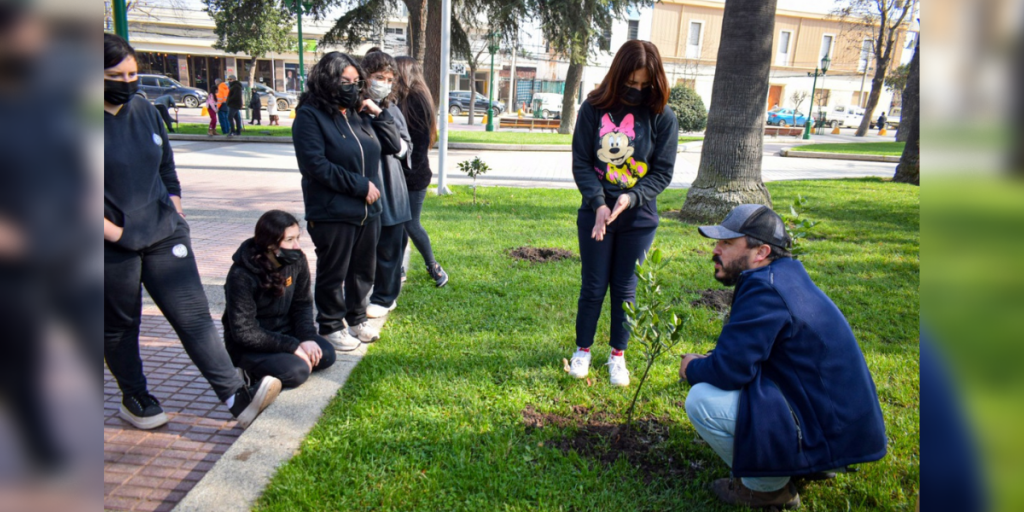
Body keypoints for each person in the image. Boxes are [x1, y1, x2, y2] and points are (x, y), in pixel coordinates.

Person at [103, 33, 280, 430]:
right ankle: (135, 396)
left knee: (195, 316)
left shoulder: (144, 110)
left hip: (164, 233)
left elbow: (166, 165)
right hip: (110, 245)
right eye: (116, 75)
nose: (128, 82)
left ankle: (236, 396)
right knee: (119, 324)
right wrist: (112, 234)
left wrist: (176, 208)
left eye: (133, 73)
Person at [679, 204, 888, 509]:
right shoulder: (783, 277)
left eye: (726, 243)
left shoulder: (764, 289)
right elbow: (746, 357)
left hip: (829, 430)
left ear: (761, 251)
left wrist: (692, 367)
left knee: (702, 400)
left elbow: (729, 371)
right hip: (840, 426)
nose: (715, 250)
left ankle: (769, 490)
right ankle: (810, 463)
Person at [566, 40, 678, 387]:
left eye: (645, 85)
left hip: (638, 217)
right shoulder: (593, 109)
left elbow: (662, 173)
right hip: (596, 214)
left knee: (626, 288)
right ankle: (582, 350)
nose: (638, 91)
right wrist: (598, 203)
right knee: (594, 284)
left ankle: (618, 356)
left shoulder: (663, 117)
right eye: (632, 83)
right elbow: (582, 162)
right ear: (619, 76)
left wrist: (631, 198)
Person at [292, 52, 402, 351]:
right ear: (327, 81)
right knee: (334, 271)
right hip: (333, 210)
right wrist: (358, 185)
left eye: (356, 82)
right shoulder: (310, 115)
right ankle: (329, 325)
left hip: (369, 210)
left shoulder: (357, 113)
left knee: (363, 270)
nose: (352, 87)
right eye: (345, 82)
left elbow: (393, 146)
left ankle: (356, 318)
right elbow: (314, 164)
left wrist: (376, 111)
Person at [223, 210, 336, 388]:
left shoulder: (297, 260)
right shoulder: (241, 275)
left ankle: (277, 366)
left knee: (326, 354)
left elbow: (302, 303)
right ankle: (247, 372)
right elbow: (244, 332)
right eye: (290, 240)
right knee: (297, 371)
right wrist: (292, 347)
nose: (297, 246)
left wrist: (306, 338)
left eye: (298, 238)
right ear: (270, 244)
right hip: (251, 343)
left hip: (285, 331)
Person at [363, 51, 413, 318]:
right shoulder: (352, 108)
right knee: (365, 250)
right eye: (378, 77)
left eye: (389, 79)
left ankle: (385, 297)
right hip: (362, 187)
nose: (383, 82)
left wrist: (383, 122)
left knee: (390, 249)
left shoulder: (392, 110)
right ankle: (364, 293)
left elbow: (406, 148)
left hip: (391, 185)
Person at [393, 56, 449, 287]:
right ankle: (399, 268)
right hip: (406, 174)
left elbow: (416, 145)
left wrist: (406, 174)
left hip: (413, 176)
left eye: (394, 72)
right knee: (400, 224)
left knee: (410, 224)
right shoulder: (410, 98)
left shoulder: (415, 99)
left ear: (404, 73)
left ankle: (434, 267)